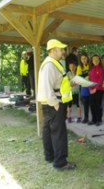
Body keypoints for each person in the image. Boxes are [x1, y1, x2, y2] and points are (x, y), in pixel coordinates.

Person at [37, 39, 76, 170]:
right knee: (59, 133)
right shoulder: (50, 65)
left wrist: (69, 84)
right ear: (53, 50)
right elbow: (47, 87)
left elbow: (57, 84)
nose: (63, 51)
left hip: (50, 103)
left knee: (48, 130)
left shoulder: (53, 63)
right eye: (61, 49)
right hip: (54, 103)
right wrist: (55, 104)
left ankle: (50, 156)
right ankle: (60, 162)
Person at [88, 55, 104, 126]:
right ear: (92, 61)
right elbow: (89, 79)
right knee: (92, 104)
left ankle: (99, 119)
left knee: (98, 105)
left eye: (97, 59)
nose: (95, 61)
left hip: (99, 90)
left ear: (99, 60)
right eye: (94, 59)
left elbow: (101, 80)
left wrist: (95, 89)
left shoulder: (101, 69)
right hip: (92, 90)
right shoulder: (91, 69)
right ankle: (93, 119)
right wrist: (90, 89)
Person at [77, 52, 90, 123]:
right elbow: (79, 78)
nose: (84, 60)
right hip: (84, 87)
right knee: (85, 104)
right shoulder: (79, 67)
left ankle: (97, 118)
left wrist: (84, 75)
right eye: (82, 59)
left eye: (85, 58)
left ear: (87, 58)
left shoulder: (90, 65)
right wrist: (87, 74)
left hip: (91, 86)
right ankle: (86, 117)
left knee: (93, 103)